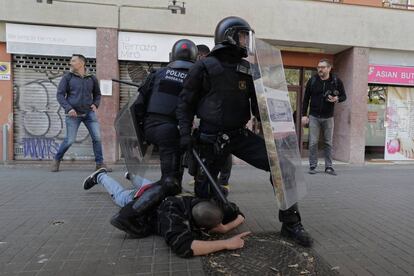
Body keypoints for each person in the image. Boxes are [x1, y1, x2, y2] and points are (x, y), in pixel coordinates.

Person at [176, 16, 312, 247]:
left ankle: (290, 223)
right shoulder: (203, 66)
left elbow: (259, 105)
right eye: (242, 36)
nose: (245, 41)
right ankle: (201, 228)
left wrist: (275, 125)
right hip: (210, 139)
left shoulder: (246, 69)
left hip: (239, 135)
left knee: (283, 166)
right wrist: (185, 134)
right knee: (204, 192)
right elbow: (185, 103)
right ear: (229, 36)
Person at [51, 54, 109, 172]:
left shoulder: (91, 78)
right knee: (70, 140)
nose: (70, 63)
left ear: (82, 63)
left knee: (97, 138)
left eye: (73, 61)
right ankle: (57, 159)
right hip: (73, 114)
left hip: (89, 113)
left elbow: (97, 94)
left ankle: (100, 164)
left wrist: (95, 104)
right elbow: (60, 95)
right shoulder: (67, 77)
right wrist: (68, 108)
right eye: (71, 61)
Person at [301, 58, 347, 175]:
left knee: (328, 142)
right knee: (313, 142)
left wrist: (337, 98)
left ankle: (329, 167)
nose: (319, 69)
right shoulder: (313, 81)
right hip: (314, 116)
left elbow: (344, 96)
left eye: (322, 67)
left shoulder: (336, 81)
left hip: (328, 117)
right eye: (318, 67)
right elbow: (306, 99)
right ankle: (312, 166)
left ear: (329, 68)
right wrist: (304, 115)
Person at [83, 167, 152, 207]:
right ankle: (99, 176)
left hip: (157, 191)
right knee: (120, 196)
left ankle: (131, 176)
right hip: (146, 200)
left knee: (152, 186)